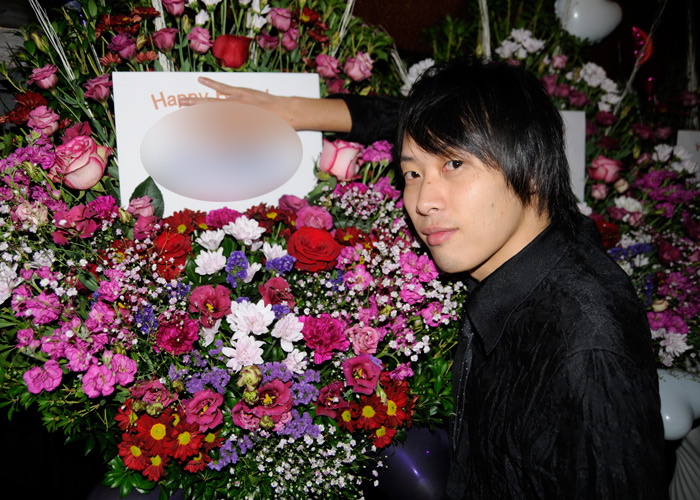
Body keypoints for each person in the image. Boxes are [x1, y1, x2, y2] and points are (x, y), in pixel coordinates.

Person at [184, 59, 667, 499]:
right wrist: (295, 111)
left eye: (454, 165)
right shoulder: (537, 255)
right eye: (412, 174)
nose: (423, 201)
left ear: (532, 168)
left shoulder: (583, 347)